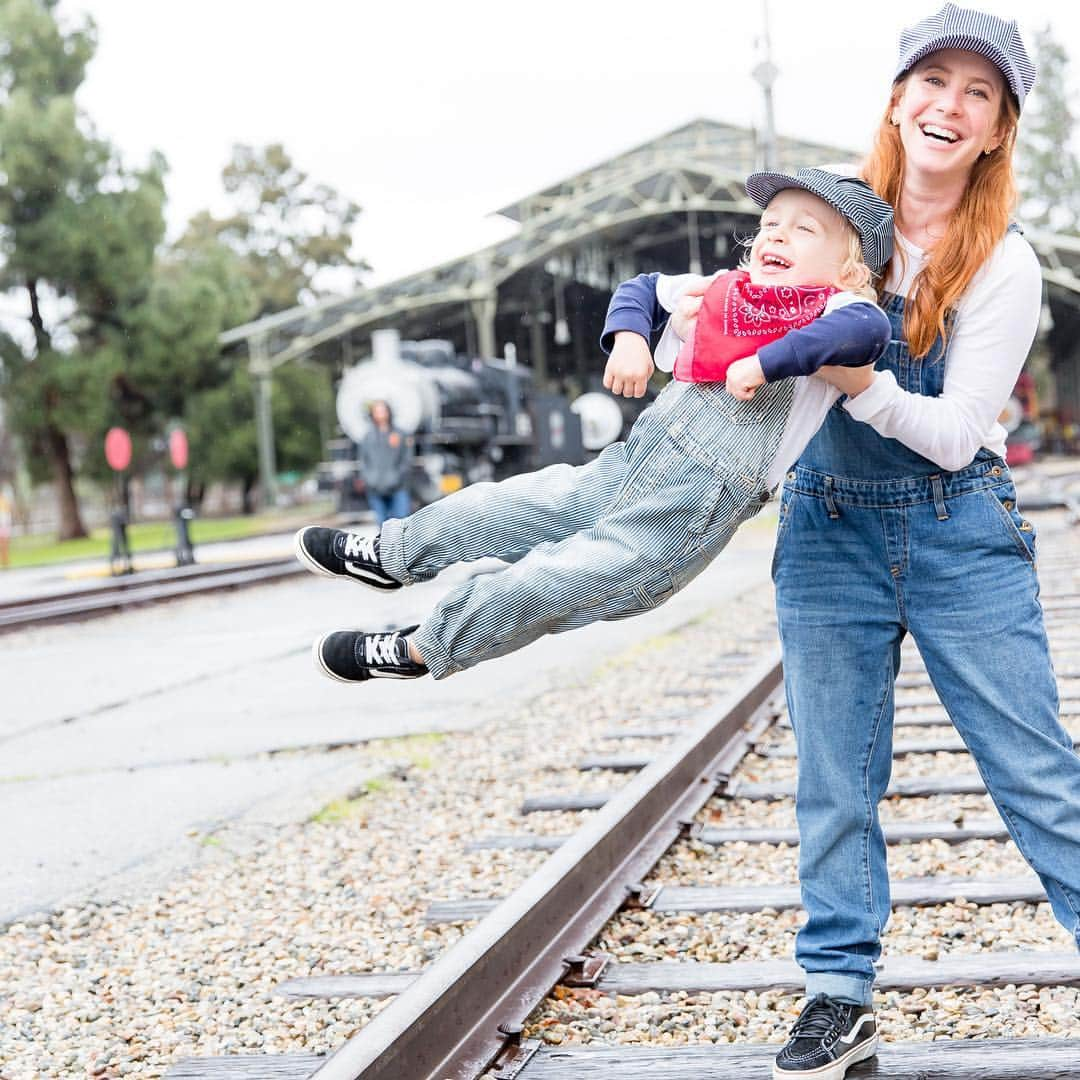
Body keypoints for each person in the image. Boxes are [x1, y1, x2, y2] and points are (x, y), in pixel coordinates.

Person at [608, 6, 1080, 1080]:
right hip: (826, 529)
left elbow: (958, 432)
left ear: (1002, 127)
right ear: (898, 97)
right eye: (933, 82)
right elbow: (694, 308)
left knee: (1035, 771)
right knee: (834, 775)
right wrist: (640, 336)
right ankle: (838, 994)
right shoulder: (818, 219)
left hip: (960, 526)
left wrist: (862, 386)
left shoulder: (1004, 264)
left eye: (977, 93)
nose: (947, 107)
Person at [292, 168, 893, 683]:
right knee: (515, 503)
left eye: (804, 229)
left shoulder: (837, 309)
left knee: (552, 580)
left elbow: (865, 333)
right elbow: (641, 289)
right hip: (634, 460)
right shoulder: (721, 290)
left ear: (848, 267)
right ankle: (392, 552)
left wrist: (768, 360)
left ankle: (420, 647)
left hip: (689, 508)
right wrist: (631, 339)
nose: (778, 234)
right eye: (770, 224)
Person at [357, 400, 412, 527]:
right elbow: (363, 461)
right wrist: (369, 479)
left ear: (389, 412)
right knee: (383, 527)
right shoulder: (367, 437)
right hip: (375, 488)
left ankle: (402, 547)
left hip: (398, 487)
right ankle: (386, 548)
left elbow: (406, 459)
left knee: (401, 524)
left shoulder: (400, 434)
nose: (380, 414)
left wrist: (397, 477)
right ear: (372, 414)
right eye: (377, 411)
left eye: (383, 410)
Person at [0, 487, 12, 569]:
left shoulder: (4, 501)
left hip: (5, 526)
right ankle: (4, 561)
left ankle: (5, 561)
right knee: (2, 544)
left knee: (5, 545)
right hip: (2, 526)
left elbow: (8, 513)